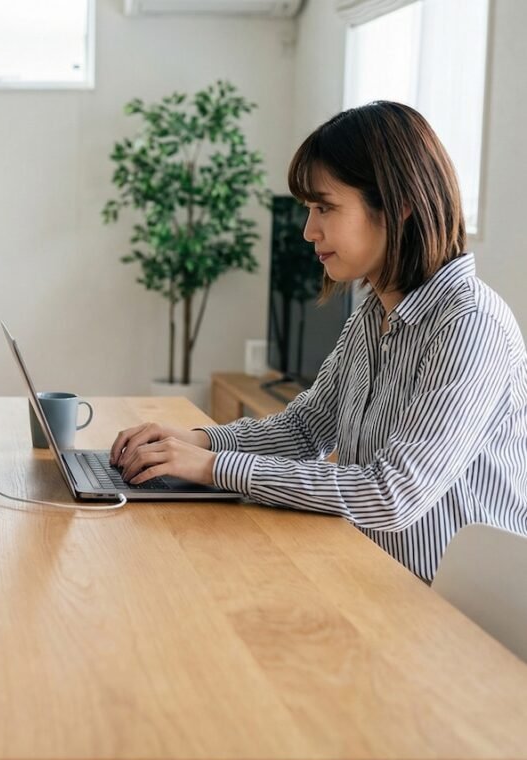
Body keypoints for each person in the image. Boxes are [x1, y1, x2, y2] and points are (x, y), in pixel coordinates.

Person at [110, 101, 527, 583]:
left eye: (324, 207)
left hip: (448, 609)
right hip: (369, 574)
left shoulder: (470, 326)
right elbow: (307, 429)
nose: (309, 231)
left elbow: (391, 494)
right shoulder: (374, 314)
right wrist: (193, 441)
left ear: (400, 204)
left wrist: (213, 467)